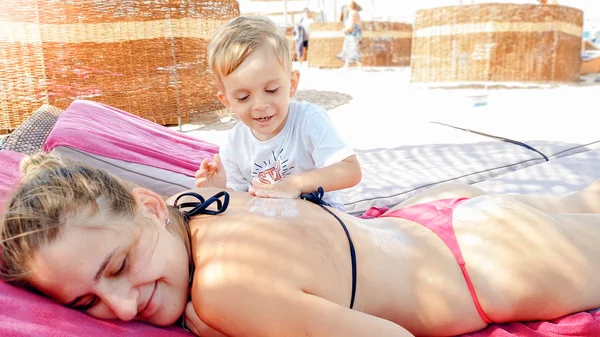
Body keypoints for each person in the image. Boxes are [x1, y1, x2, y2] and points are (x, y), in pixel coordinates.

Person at [4, 152, 600, 337]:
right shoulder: (200, 206)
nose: (125, 307)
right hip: (445, 217)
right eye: (88, 305)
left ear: (150, 208)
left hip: (487, 268)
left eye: (119, 265)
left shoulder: (224, 288)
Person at [198, 16, 362, 210]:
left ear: (291, 84)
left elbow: (350, 170)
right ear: (227, 102)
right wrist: (218, 190)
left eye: (272, 90)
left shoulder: (308, 120)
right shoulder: (234, 144)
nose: (260, 105)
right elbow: (243, 203)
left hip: (322, 223)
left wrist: (295, 184)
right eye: (243, 97)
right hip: (273, 230)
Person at [336, 1, 363, 69]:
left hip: (352, 34)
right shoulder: (356, 13)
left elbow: (352, 26)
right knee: (349, 49)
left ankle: (360, 67)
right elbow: (358, 25)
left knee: (354, 50)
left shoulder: (352, 13)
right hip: (354, 34)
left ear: (350, 6)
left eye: (348, 6)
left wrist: (344, 30)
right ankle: (346, 66)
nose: (347, 8)